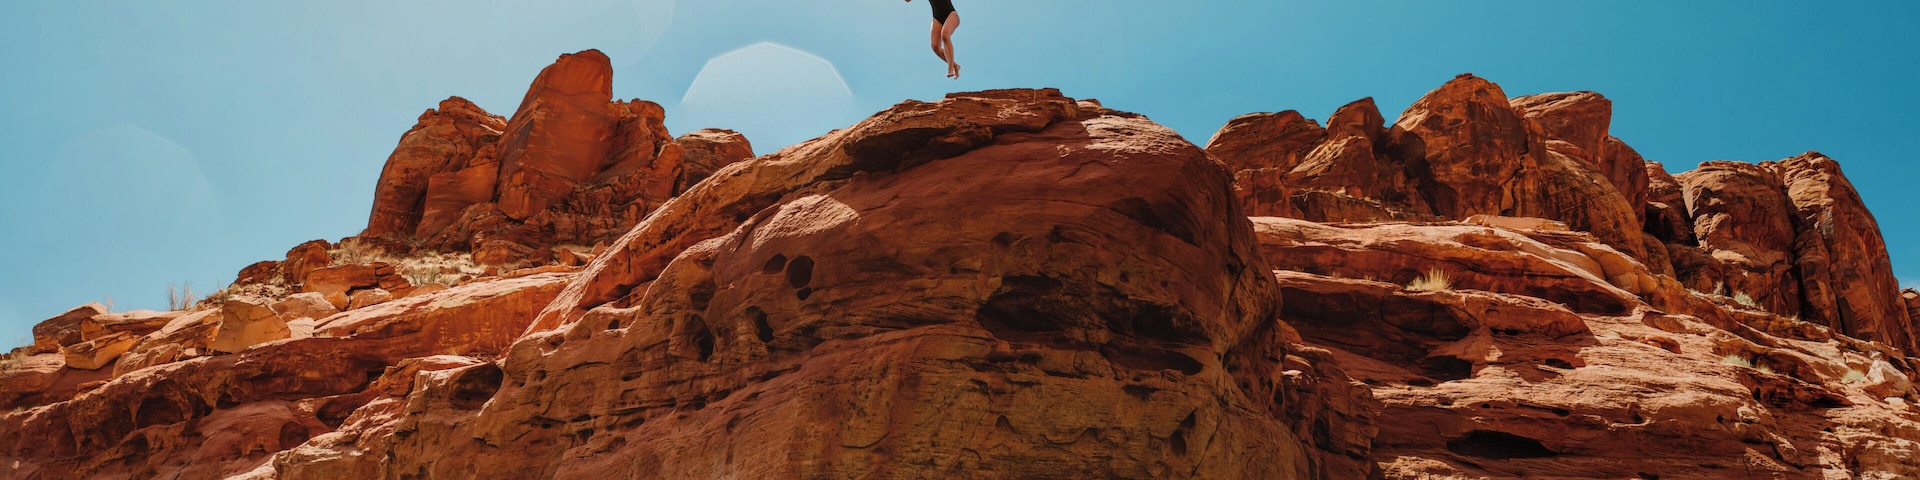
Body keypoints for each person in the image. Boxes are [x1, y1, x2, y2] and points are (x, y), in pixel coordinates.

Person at [907, 0, 960, 78]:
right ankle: (955, 66)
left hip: (951, 15)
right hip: (937, 18)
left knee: (945, 35)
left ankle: (950, 68)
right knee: (935, 46)